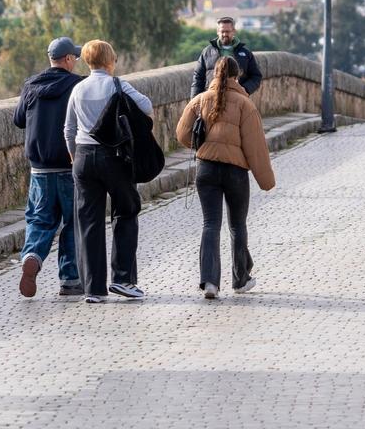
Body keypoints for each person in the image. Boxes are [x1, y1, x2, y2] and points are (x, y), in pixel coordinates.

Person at [177, 57, 275, 300]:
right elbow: (255, 147)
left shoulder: (199, 100)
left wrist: (201, 146)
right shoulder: (245, 104)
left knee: (210, 224)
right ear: (237, 75)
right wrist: (266, 180)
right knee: (237, 225)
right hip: (235, 172)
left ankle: (210, 282)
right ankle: (240, 279)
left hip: (206, 169)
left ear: (215, 74)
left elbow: (181, 133)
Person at [63, 40, 153, 303]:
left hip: (83, 157)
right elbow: (146, 106)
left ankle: (94, 289)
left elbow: (68, 129)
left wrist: (74, 157)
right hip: (114, 157)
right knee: (125, 211)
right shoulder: (117, 85)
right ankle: (123, 279)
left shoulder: (78, 89)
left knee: (88, 222)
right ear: (110, 60)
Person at [14, 37, 85, 298]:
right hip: (68, 165)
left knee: (39, 219)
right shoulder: (78, 85)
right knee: (73, 222)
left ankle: (32, 255)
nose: (76, 61)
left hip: (39, 168)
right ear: (67, 59)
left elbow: (19, 120)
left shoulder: (31, 85)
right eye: (74, 58)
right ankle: (70, 280)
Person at [190, 17, 263, 98]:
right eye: (222, 31)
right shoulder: (207, 52)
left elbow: (256, 76)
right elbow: (198, 78)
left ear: (234, 31)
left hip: (237, 99)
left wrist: (245, 89)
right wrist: (194, 101)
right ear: (218, 32)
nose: (225, 34)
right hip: (212, 98)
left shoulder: (245, 53)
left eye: (227, 31)